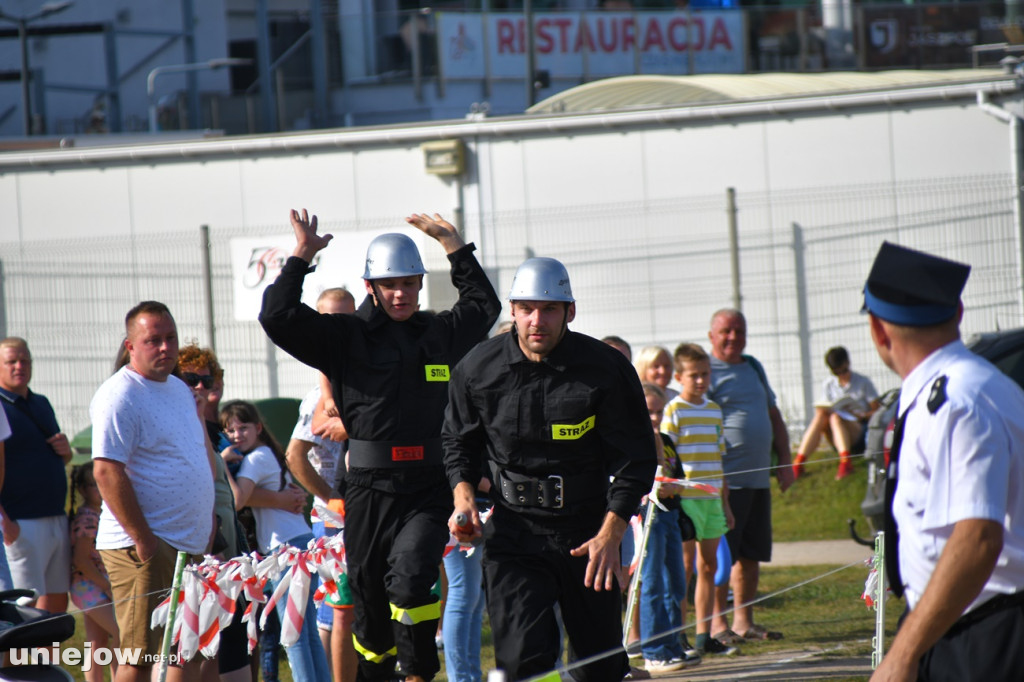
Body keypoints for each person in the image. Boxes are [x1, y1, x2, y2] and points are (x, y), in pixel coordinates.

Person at [259, 209, 500, 682]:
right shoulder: (344, 337)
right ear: (370, 286)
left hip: (428, 487)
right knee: (369, 598)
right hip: (367, 488)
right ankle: (379, 671)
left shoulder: (437, 333)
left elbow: (483, 307)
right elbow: (278, 316)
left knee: (412, 579)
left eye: (409, 283)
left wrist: (454, 246)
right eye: (390, 284)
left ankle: (418, 672)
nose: (400, 293)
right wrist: (302, 256)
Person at [443, 257, 656, 682]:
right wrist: (462, 497)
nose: (537, 320)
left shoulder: (606, 369)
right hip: (514, 536)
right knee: (525, 662)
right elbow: (458, 442)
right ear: (513, 310)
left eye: (550, 309)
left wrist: (611, 532)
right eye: (527, 308)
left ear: (569, 311)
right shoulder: (477, 368)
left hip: (589, 535)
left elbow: (636, 459)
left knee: (600, 667)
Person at [864, 242, 1024, 682]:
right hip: (961, 623)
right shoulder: (976, 386)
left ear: (879, 331)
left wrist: (901, 655)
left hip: (987, 636)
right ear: (958, 312)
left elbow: (977, 538)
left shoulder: (957, 402)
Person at [91, 301, 215, 682]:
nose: (165, 348)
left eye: (170, 338)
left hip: (187, 545)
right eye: (153, 340)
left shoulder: (179, 389)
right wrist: (143, 540)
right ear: (131, 346)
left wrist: (207, 522)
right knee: (139, 657)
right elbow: (107, 471)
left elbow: (194, 456)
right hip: (144, 547)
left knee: (183, 651)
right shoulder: (120, 394)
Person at [220, 400, 329, 682]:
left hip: (286, 548)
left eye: (243, 428)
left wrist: (219, 463)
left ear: (258, 428)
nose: (236, 435)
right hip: (299, 543)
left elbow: (237, 499)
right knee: (306, 631)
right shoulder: (267, 453)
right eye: (229, 430)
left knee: (293, 635)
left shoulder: (256, 458)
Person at [705, 308, 793, 645]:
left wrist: (785, 460)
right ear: (712, 335)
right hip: (726, 483)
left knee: (751, 555)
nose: (732, 337)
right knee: (723, 558)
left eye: (738, 331)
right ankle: (717, 625)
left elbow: (774, 415)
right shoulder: (705, 371)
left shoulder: (753, 366)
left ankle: (745, 622)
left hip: (758, 481)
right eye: (725, 331)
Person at [285, 286, 358, 682]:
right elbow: (295, 455)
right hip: (334, 519)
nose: (340, 326)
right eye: (330, 318)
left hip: (361, 511)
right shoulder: (319, 394)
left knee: (353, 607)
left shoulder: (353, 375)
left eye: (348, 317)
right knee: (335, 611)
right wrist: (331, 497)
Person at [660, 343, 736, 657]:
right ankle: (679, 637)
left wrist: (726, 504)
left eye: (705, 374)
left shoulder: (715, 410)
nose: (701, 381)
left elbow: (720, 461)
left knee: (709, 567)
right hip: (686, 498)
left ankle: (704, 635)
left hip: (713, 500)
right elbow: (665, 456)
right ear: (679, 377)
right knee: (685, 567)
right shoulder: (674, 410)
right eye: (694, 375)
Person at [0, 336, 73, 614]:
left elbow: (52, 453)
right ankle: (14, 660)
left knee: (56, 602)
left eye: (25, 360)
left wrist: (65, 452)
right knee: (20, 606)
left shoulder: (41, 403)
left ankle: (45, 659)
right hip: (20, 522)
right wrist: (6, 523)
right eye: (11, 361)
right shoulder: (1, 407)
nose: (19, 366)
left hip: (55, 517)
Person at [636, 383, 688, 673]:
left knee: (676, 583)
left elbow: (676, 477)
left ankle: (672, 645)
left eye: (658, 411)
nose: (654, 418)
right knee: (653, 582)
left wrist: (676, 486)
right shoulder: (637, 440)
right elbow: (645, 480)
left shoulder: (666, 438)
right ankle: (653, 650)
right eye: (648, 412)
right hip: (649, 515)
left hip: (670, 516)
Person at [793, 346, 880, 480]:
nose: (841, 375)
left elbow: (877, 410)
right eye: (836, 373)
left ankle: (846, 463)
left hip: (858, 430)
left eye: (844, 371)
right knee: (821, 416)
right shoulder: (829, 384)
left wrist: (862, 415)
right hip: (835, 433)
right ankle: (798, 463)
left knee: (835, 418)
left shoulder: (863, 382)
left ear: (848, 363)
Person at [69, 462, 120, 682]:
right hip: (89, 587)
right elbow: (81, 560)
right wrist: (106, 586)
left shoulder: (98, 514)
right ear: (82, 489)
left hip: (92, 586)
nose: (98, 490)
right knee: (122, 633)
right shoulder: (89, 519)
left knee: (96, 642)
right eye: (92, 485)